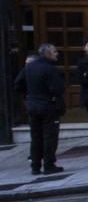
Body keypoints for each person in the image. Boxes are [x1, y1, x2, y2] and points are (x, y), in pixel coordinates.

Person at [13, 43, 66, 175]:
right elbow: (58, 89)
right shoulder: (50, 69)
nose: (57, 53)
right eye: (54, 51)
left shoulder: (29, 67)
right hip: (48, 106)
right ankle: (49, 165)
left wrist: (29, 95)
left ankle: (35, 166)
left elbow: (18, 84)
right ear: (47, 53)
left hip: (32, 106)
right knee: (50, 136)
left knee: (36, 137)